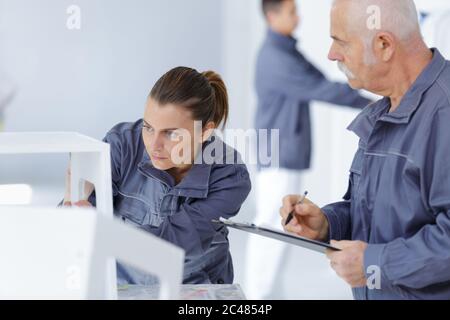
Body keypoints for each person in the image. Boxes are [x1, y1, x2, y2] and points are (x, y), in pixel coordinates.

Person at [280, 0, 450, 300]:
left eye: (340, 41)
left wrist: (374, 263)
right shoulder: (385, 110)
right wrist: (328, 223)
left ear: (384, 44)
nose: (331, 54)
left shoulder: (445, 113)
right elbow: (377, 211)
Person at [64, 66, 252, 285]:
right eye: (148, 127)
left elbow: (173, 243)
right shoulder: (122, 145)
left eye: (171, 133)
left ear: (205, 132)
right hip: (125, 286)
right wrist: (73, 202)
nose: (154, 145)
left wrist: (102, 232)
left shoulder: (229, 174)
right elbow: (74, 233)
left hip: (193, 287)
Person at [246, 0, 371, 299]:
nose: (298, 16)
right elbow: (321, 88)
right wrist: (372, 101)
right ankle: (255, 298)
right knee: (274, 228)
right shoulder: (276, 57)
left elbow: (320, 81)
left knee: (279, 228)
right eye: (291, 11)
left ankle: (268, 294)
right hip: (279, 155)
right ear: (272, 15)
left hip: (281, 152)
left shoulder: (285, 50)